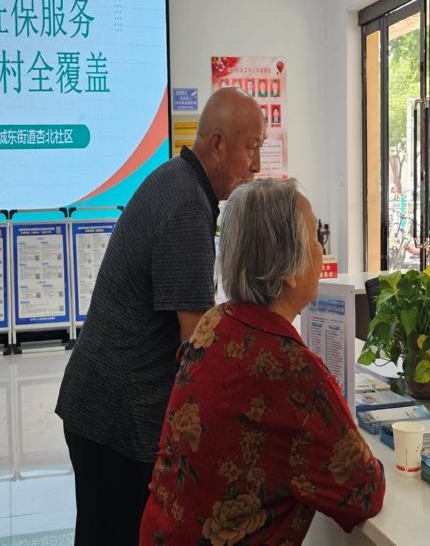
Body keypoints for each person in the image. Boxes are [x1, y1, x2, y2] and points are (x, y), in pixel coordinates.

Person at [55, 87, 265, 546]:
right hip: (115, 417)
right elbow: (195, 343)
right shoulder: (187, 204)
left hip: (102, 406)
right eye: (252, 147)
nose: (257, 164)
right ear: (217, 144)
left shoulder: (176, 179)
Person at [140, 179, 385, 545]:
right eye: (316, 238)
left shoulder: (216, 322)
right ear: (289, 271)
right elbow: (364, 490)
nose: (322, 251)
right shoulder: (289, 366)